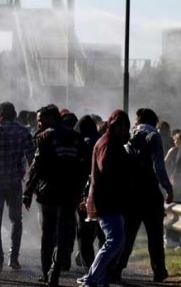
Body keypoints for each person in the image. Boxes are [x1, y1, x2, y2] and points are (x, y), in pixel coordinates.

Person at [23, 104, 84, 287]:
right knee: (64, 233)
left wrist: (27, 192)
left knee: (48, 234)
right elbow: (83, 167)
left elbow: (37, 167)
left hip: (49, 192)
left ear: (52, 119)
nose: (38, 123)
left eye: (40, 119)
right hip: (70, 192)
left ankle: (46, 271)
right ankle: (54, 269)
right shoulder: (75, 137)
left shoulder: (45, 137)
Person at [114, 108, 174, 283]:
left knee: (128, 234)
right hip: (149, 192)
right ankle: (159, 271)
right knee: (155, 235)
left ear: (139, 119)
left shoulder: (128, 135)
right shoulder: (153, 135)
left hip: (130, 193)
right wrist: (168, 188)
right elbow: (158, 166)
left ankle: (117, 268)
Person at [77, 110, 134, 287]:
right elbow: (108, 170)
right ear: (112, 125)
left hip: (110, 201)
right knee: (115, 241)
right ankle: (91, 278)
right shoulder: (108, 144)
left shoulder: (111, 142)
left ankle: (99, 280)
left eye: (125, 127)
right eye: (119, 126)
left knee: (116, 243)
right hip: (107, 201)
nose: (123, 130)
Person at [0, 102, 35, 272]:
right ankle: (14, 258)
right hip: (14, 182)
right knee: (16, 220)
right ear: (14, 115)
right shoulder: (22, 131)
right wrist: (31, 180)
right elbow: (31, 158)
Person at [74, 116, 105, 270]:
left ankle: (90, 270)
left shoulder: (79, 143)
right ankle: (103, 268)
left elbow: (77, 172)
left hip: (86, 194)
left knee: (85, 236)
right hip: (105, 193)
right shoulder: (104, 142)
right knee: (103, 234)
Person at [165, 132, 181, 200]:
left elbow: (165, 162)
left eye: (175, 140)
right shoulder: (173, 150)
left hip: (175, 176)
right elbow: (165, 162)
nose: (174, 141)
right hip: (175, 176)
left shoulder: (173, 150)